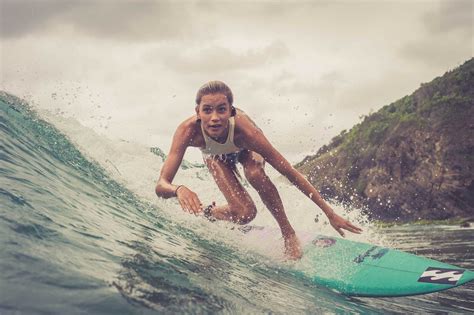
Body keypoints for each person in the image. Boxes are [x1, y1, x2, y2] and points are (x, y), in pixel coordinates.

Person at [155, 81, 362, 260]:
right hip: (214, 156)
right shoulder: (187, 131)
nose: (215, 117)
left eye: (221, 109)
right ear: (198, 112)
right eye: (207, 110)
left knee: (254, 174)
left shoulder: (247, 132)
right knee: (245, 214)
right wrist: (178, 189)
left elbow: (290, 172)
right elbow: (161, 184)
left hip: (247, 151)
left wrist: (329, 212)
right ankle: (210, 212)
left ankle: (288, 233)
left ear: (231, 111)